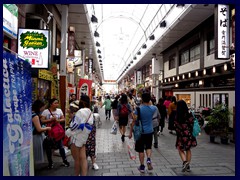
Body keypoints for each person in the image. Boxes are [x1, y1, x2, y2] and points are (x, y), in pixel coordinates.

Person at [129, 92, 157, 173]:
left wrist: (131, 132)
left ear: (142, 99)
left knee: (141, 150)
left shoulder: (138, 109)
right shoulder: (153, 108)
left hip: (140, 133)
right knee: (148, 147)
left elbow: (133, 122)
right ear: (149, 99)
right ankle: (148, 159)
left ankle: (142, 166)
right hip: (150, 131)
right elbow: (152, 105)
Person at [66, 95, 94, 176]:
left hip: (77, 136)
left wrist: (68, 131)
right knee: (83, 158)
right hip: (84, 136)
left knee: (77, 159)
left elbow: (74, 125)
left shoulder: (80, 111)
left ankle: (76, 175)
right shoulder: (89, 111)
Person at [41, 98, 70, 169]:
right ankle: (50, 162)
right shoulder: (45, 111)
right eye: (55, 103)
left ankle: (64, 160)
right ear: (51, 104)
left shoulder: (59, 110)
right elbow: (42, 121)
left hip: (57, 132)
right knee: (48, 148)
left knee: (61, 146)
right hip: (49, 132)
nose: (57, 104)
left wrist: (58, 120)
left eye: (57, 103)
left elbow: (63, 119)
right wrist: (50, 120)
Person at [174, 100, 197, 172]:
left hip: (181, 135)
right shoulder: (189, 114)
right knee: (188, 149)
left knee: (180, 149)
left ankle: (184, 162)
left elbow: (176, 126)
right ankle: (188, 166)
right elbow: (192, 123)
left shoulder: (177, 115)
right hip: (189, 134)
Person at [32, 100, 51, 164]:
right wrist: (47, 128)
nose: (44, 109)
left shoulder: (30, 114)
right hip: (35, 137)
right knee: (36, 153)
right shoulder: (35, 116)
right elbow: (39, 129)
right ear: (40, 107)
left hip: (31, 136)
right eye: (43, 107)